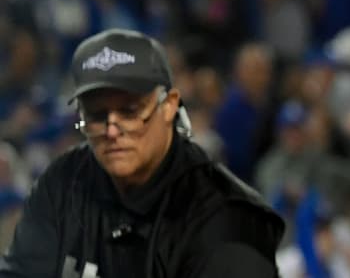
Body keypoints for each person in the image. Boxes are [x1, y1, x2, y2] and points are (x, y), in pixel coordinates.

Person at [0, 29, 285, 277]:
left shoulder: (226, 219)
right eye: (98, 115)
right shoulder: (62, 184)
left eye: (130, 111)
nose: (112, 131)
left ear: (170, 106)